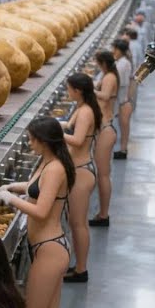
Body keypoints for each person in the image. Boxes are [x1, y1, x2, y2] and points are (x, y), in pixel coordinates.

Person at [0, 116, 73, 308]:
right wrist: (16, 187)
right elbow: (34, 187)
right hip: (47, 247)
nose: (29, 143)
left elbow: (40, 211)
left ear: (43, 140)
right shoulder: (48, 162)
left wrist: (9, 199)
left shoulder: (54, 169)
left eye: (31, 139)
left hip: (49, 249)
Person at [61, 73, 102, 283]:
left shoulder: (85, 112)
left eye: (69, 89)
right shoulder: (82, 107)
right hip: (78, 169)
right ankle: (78, 265)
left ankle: (81, 269)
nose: (67, 92)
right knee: (75, 221)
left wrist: (54, 133)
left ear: (77, 90)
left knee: (78, 224)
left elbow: (76, 141)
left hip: (82, 172)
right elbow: (70, 127)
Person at [90, 51, 119, 227]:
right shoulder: (108, 75)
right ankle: (102, 212)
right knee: (102, 174)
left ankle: (103, 214)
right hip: (104, 127)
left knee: (103, 175)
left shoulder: (109, 77)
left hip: (106, 129)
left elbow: (106, 96)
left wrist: (89, 89)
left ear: (103, 63)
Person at [112, 37, 136, 160]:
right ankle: (122, 149)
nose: (113, 51)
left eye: (114, 49)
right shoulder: (123, 61)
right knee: (123, 127)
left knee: (123, 127)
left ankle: (122, 150)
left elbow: (118, 82)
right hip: (124, 100)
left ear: (119, 50)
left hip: (122, 102)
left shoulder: (123, 64)